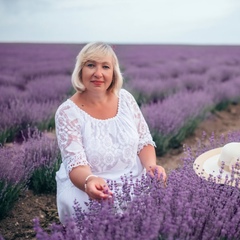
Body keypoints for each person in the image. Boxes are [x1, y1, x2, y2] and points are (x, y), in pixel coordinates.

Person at [55, 42, 167, 224]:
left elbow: (144, 141)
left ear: (113, 73)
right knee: (86, 211)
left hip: (133, 177)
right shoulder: (67, 112)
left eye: (105, 67)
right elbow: (75, 164)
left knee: (158, 208)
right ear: (80, 70)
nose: (98, 73)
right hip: (90, 184)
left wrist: (151, 166)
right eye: (91, 65)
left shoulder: (126, 99)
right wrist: (90, 181)